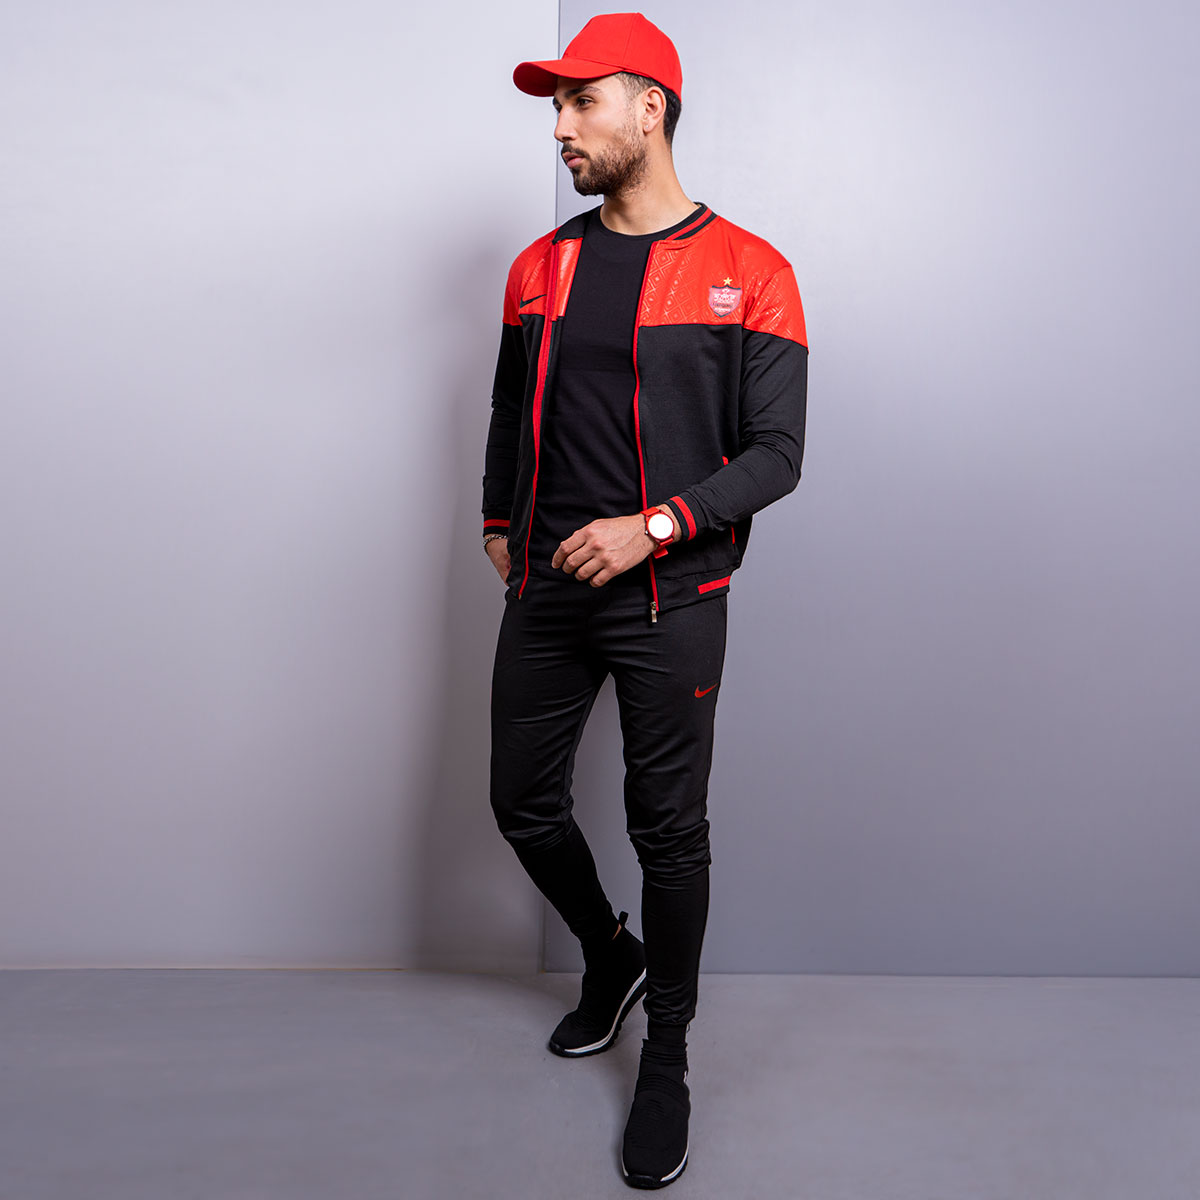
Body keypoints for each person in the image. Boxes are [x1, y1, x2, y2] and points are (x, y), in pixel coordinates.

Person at [481, 11, 808, 1189]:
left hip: (671, 592)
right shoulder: (541, 267)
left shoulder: (753, 272)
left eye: (580, 102)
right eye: (555, 107)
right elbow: (507, 407)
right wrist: (499, 525)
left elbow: (777, 454)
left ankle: (666, 1056)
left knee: (667, 830)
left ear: (649, 108)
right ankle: (608, 955)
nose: (560, 128)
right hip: (548, 584)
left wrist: (656, 525)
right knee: (522, 801)